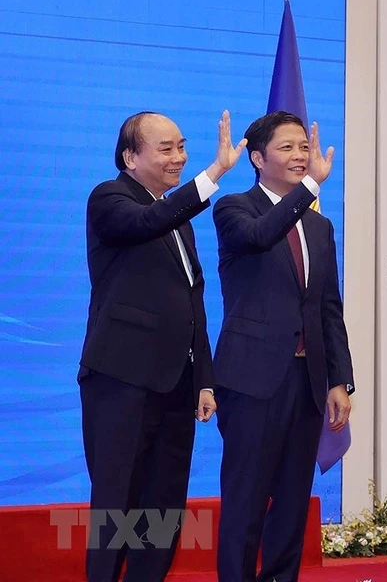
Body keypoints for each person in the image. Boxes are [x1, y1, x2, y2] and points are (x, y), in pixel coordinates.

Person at [79, 110, 242, 582]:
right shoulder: (110, 199)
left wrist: (204, 381)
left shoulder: (178, 218)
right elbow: (149, 219)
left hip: (176, 386)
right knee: (117, 508)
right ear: (130, 156)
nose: (180, 157)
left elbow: (193, 303)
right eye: (166, 149)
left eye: (182, 147)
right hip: (122, 380)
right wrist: (212, 175)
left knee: (163, 509)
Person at [213, 111, 355, 582]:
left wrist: (339, 379)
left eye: (304, 146)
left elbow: (328, 308)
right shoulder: (234, 209)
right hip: (252, 380)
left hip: (307, 381)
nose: (301, 156)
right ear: (256, 158)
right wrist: (309, 189)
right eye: (288, 148)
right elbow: (260, 235)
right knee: (246, 500)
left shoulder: (320, 228)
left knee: (293, 503)